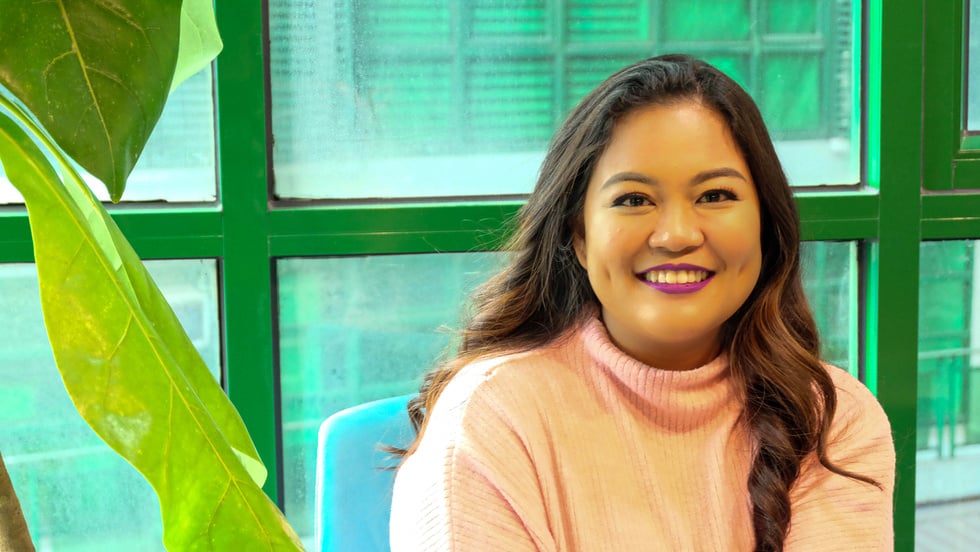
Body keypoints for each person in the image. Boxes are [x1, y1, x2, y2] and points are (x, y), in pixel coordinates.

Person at [389, 54, 895, 551]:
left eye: (716, 195)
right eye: (633, 200)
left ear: (765, 224)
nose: (676, 235)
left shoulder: (832, 418)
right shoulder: (489, 419)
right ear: (580, 238)